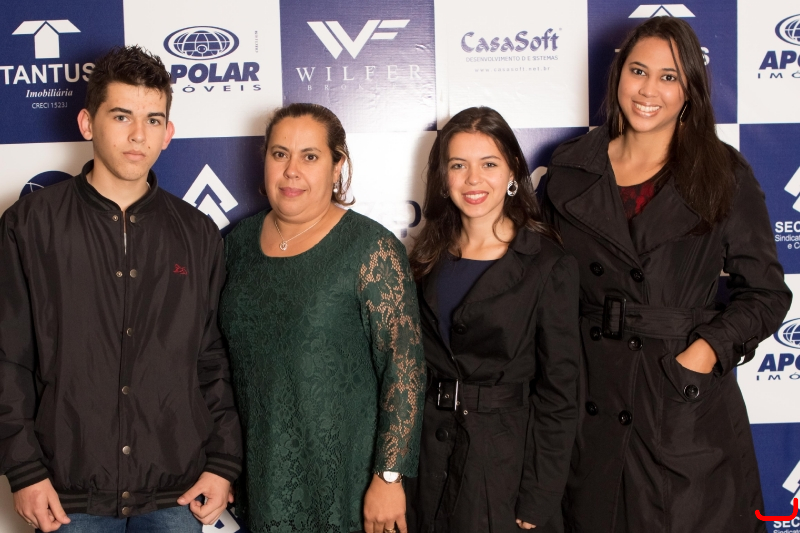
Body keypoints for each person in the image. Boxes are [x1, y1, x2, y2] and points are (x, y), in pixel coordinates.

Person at [543, 17, 792, 533]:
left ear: (689, 91)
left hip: (681, 404)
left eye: (669, 76)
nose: (648, 90)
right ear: (618, 75)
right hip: (589, 400)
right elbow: (540, 287)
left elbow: (766, 294)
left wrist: (704, 352)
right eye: (638, 71)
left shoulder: (723, 173)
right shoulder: (568, 169)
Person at [0, 46, 242, 532]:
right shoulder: (29, 225)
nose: (138, 135)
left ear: (168, 133)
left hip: (178, 491)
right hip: (68, 494)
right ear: (87, 123)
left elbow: (211, 358)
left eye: (153, 120)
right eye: (121, 116)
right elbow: (8, 357)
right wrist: (23, 470)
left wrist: (222, 462)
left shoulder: (197, 233)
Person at [219, 102, 426, 533]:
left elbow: (403, 366)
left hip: (348, 483)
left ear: (337, 167)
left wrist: (389, 477)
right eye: (280, 154)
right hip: (261, 476)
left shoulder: (370, 247)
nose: (291, 170)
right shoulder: (236, 244)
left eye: (310, 156)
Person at [404, 106, 580, 532]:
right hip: (427, 462)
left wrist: (538, 497)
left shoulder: (547, 264)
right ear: (443, 177)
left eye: (488, 164)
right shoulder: (424, 258)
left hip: (503, 469)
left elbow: (560, 393)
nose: (473, 180)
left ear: (512, 171)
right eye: (458, 165)